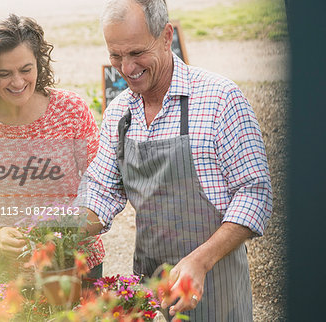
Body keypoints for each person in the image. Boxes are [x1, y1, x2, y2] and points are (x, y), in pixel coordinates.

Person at [78, 0, 272, 320]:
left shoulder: (219, 98)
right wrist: (55, 232)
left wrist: (200, 261)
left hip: (216, 290)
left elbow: (255, 194)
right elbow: (101, 190)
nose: (126, 68)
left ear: (167, 36)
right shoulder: (119, 114)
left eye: (137, 53)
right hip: (150, 293)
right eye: (116, 55)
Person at [0, 14, 104, 288]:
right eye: (4, 74)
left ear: (39, 64)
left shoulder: (71, 111)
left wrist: (68, 233)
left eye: (26, 69)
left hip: (76, 265)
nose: (18, 82)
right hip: (10, 274)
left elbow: (100, 185)